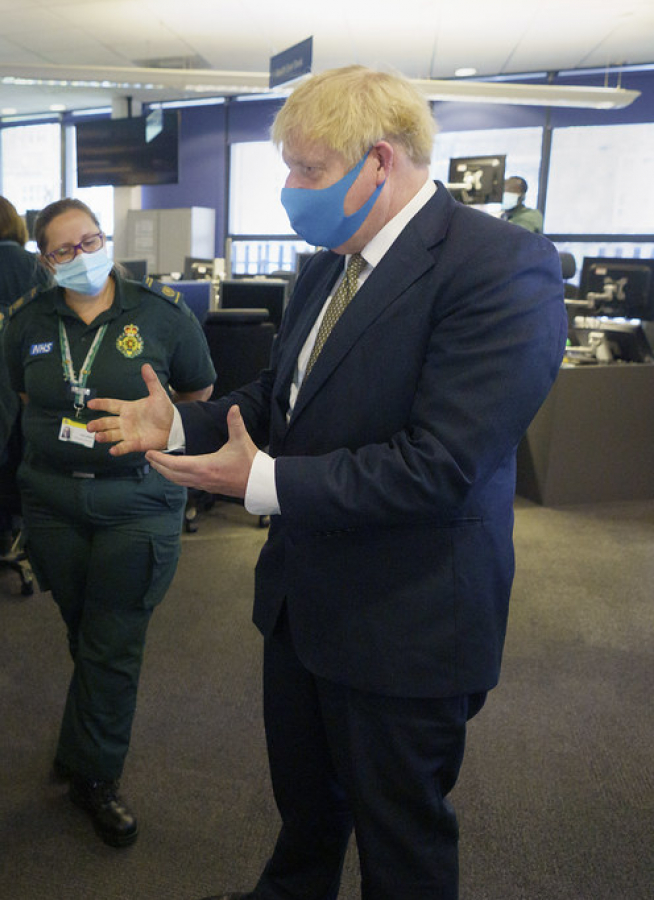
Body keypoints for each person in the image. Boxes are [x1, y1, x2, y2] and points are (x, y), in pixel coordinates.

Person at [87, 66, 566, 899]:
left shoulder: (499, 267)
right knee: (306, 812)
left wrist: (261, 483)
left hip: (407, 620)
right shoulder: (324, 268)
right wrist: (181, 425)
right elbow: (279, 403)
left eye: (308, 171)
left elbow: (440, 466)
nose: (289, 190)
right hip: (303, 606)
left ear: (379, 162)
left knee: (400, 840)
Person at [0, 198, 215, 848]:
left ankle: (96, 777)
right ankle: (79, 749)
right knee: (87, 632)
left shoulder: (163, 314)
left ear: (106, 238)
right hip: (52, 502)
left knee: (112, 641)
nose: (81, 256)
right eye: (63, 250)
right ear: (44, 259)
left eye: (89, 240)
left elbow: (200, 396)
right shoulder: (26, 321)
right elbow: (25, 394)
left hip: (138, 502)